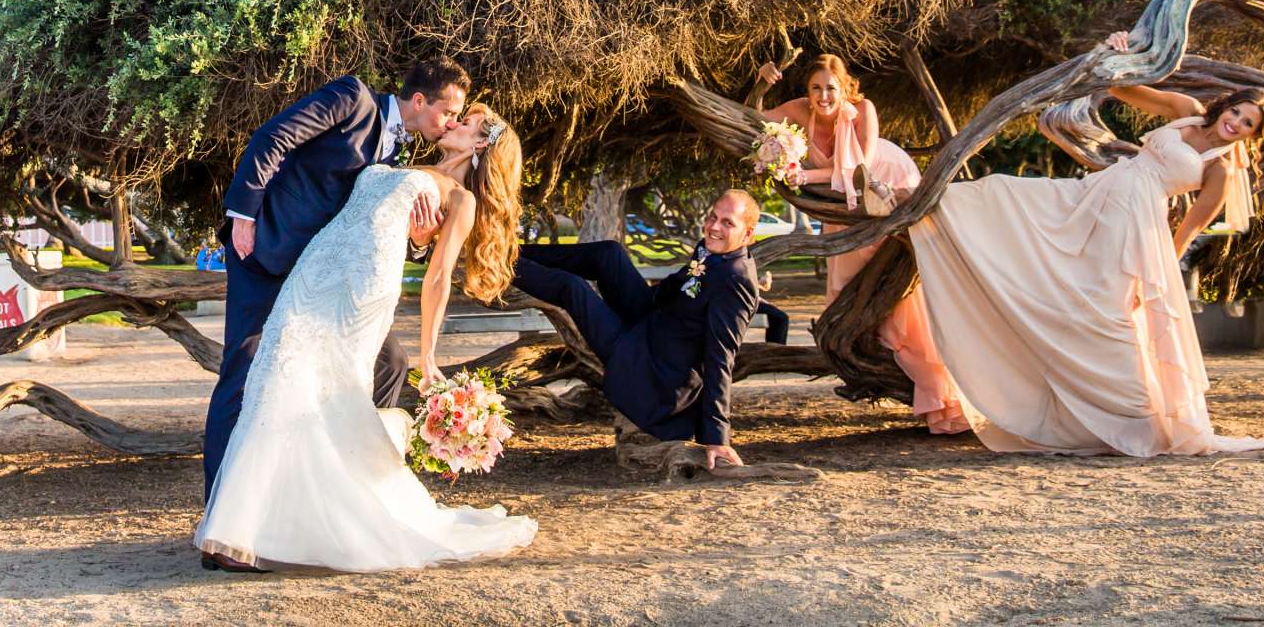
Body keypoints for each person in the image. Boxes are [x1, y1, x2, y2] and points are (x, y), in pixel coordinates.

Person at [194, 102, 538, 572]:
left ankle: (242, 535)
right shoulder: (407, 163)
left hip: (360, 289)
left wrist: (430, 353)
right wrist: (414, 236)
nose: (453, 122)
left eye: (467, 122)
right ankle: (249, 527)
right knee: (274, 380)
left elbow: (438, 277)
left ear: (482, 143)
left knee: (304, 384)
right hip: (312, 273)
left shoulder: (462, 200)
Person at [908, 30, 1264, 456]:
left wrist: (1155, 274)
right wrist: (1115, 51)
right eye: (1237, 111)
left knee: (1105, 311)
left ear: (1253, 134)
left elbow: (1190, 228)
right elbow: (1121, 89)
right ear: (1226, 105)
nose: (1236, 123)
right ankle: (920, 201)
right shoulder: (1187, 111)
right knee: (1003, 191)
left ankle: (1130, 417)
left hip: (1136, 222)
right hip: (1099, 192)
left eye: (1248, 123)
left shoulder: (1222, 171)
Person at [200, 60, 469, 510]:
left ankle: (345, 490)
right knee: (243, 375)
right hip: (266, 252)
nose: (452, 123)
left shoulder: (399, 152)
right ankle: (219, 514)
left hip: (322, 281)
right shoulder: (352, 99)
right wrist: (243, 215)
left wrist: (420, 242)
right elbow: (273, 137)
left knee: (389, 364)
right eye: (449, 112)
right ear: (419, 101)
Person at [758, 55, 969, 432]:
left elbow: (862, 169)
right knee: (850, 286)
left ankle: (939, 389)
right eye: (816, 88)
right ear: (807, 92)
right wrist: (761, 85)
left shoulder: (863, 111)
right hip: (842, 203)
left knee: (898, 290)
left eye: (831, 88)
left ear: (845, 89)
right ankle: (874, 361)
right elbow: (754, 120)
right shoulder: (799, 112)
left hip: (884, 188)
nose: (823, 96)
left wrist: (801, 173)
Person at [509, 190, 765, 472]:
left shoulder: (736, 281)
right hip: (651, 322)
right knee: (609, 253)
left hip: (650, 369)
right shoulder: (712, 251)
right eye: (713, 217)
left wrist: (715, 438)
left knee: (573, 288)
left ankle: (497, 263)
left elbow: (721, 359)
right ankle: (509, 250)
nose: (714, 227)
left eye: (728, 223)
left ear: (748, 233)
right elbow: (675, 289)